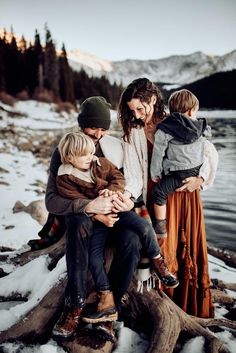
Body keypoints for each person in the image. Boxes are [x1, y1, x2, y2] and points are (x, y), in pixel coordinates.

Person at [118, 78, 218, 318]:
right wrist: (127, 197)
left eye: (141, 108)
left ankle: (193, 309)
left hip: (186, 194)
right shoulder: (134, 132)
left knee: (188, 248)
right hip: (158, 198)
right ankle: (164, 310)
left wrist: (201, 180)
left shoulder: (176, 120)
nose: (138, 115)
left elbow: (209, 152)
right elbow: (132, 173)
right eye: (132, 111)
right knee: (164, 249)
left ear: (152, 99)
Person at [56, 131, 179, 324]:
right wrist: (98, 214)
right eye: (85, 155)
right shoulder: (65, 177)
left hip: (117, 210)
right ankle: (105, 293)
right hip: (97, 221)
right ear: (70, 157)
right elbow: (73, 200)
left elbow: (118, 178)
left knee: (143, 227)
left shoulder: (99, 163)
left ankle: (157, 261)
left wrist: (111, 191)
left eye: (91, 153)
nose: (91, 158)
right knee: (94, 257)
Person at [47, 96, 141, 340]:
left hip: (114, 210)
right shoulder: (65, 150)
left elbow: (129, 180)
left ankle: (109, 309)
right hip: (83, 216)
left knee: (131, 240)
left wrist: (125, 198)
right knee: (78, 225)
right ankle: (74, 304)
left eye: (103, 128)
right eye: (93, 128)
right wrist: (90, 208)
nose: (98, 134)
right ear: (81, 125)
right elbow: (52, 201)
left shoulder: (116, 147)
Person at [150, 89, 215, 238]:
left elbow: (158, 154)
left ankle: (160, 227)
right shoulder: (202, 128)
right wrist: (202, 178)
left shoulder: (165, 128)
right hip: (196, 173)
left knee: (158, 194)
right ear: (191, 112)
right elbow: (209, 155)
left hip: (177, 174)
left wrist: (155, 174)